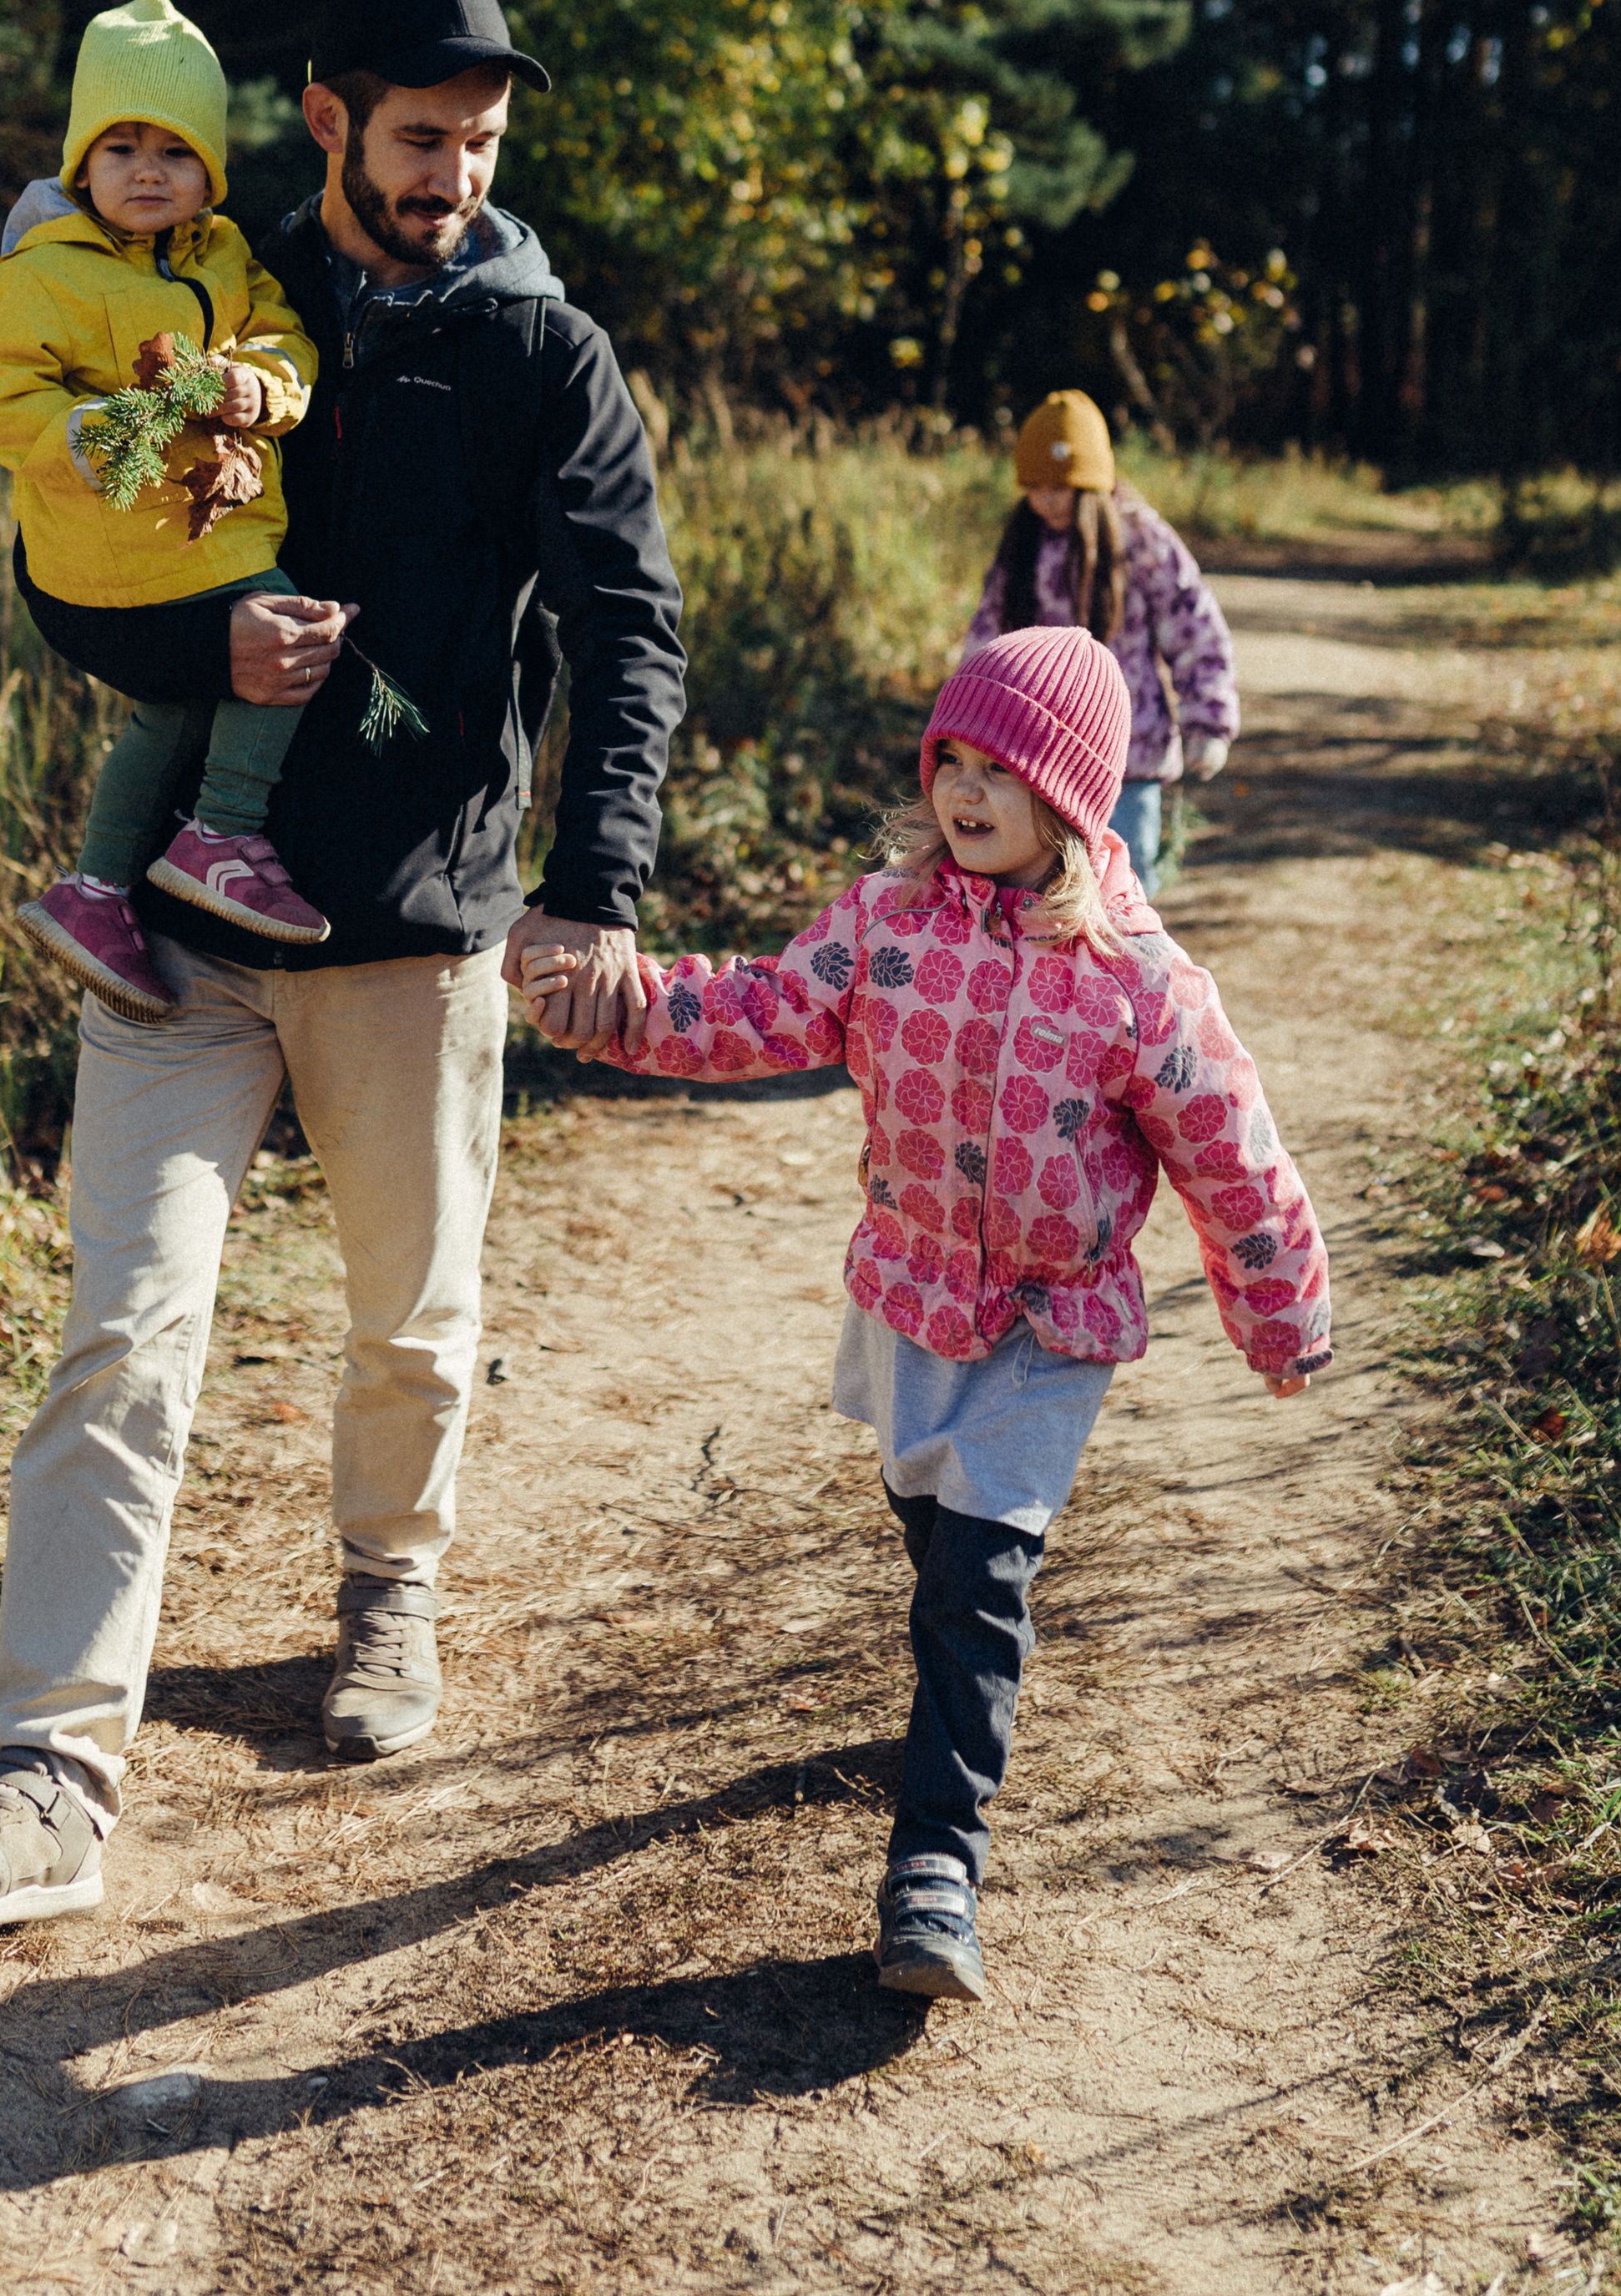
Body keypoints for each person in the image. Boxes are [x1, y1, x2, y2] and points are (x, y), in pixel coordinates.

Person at [0, 0, 685, 1935]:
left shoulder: (535, 345)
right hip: (180, 934)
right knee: (122, 1333)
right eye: (418, 139)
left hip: (407, 918)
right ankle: (49, 1761)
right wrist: (193, 647)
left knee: (408, 1311)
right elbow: (76, 573)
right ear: (322, 116)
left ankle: (389, 1584)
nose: (450, 178)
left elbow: (624, 620)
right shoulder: (205, 293)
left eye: (479, 145)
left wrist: (599, 879)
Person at [519, 624, 1328, 2006]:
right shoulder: (882, 922)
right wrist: (626, 1015)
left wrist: (1280, 1310)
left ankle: (936, 1867)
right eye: (949, 758)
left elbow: (1232, 1153)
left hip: (1045, 1328)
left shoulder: (1137, 982)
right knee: (929, 1534)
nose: (963, 789)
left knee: (978, 1582)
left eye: (999, 770)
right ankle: (952, 1700)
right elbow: (766, 1009)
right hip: (908, 1300)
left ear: (1069, 797)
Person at [0, 0, 330, 1022]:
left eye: (173, 153)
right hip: (116, 542)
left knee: (174, 707)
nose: (146, 171)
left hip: (195, 532)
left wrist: (261, 385)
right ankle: (220, 832)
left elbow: (281, 336)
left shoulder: (225, 258)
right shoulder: (42, 272)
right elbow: (3, 400)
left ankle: (93, 893)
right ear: (82, 165)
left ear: (207, 174)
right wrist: (82, 434)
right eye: (120, 150)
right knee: (290, 630)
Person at [966, 390, 1238, 896]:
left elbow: (1193, 623)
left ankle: (1130, 973)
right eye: (1035, 486)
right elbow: (987, 638)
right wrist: (969, 729)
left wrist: (1208, 717)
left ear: (1094, 481)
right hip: (1036, 762)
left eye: (1061, 486)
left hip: (1128, 760)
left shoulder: (1141, 540)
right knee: (1040, 889)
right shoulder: (1022, 549)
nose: (1047, 499)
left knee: (1123, 888)